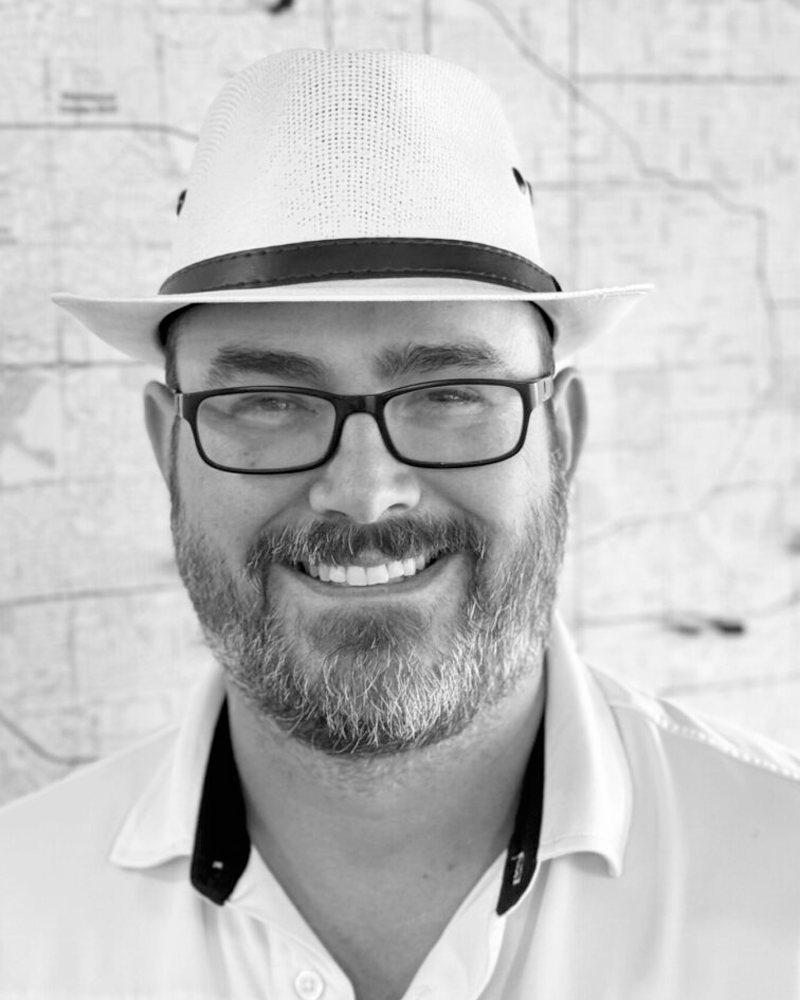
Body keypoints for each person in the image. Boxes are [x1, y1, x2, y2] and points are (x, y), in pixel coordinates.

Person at [1, 48, 798, 1000]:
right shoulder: (21, 912)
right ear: (167, 450)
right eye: (266, 401)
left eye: (451, 393)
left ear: (562, 437)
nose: (365, 491)